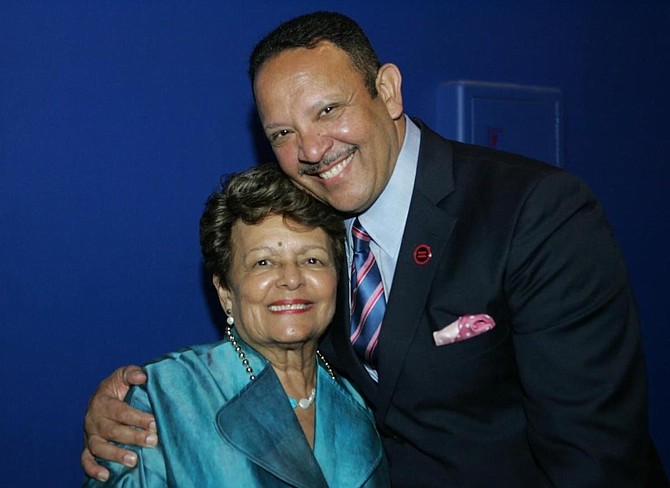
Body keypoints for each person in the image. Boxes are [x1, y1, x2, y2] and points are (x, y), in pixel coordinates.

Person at [82, 11, 668, 487]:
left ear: (386, 90)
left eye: (328, 110)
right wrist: (142, 403)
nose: (311, 148)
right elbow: (266, 336)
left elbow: (596, 456)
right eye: (282, 133)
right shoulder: (308, 227)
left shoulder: (536, 211)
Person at [83, 162, 390, 487]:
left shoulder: (361, 401)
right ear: (226, 291)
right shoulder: (164, 396)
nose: (291, 278)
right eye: (263, 262)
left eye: (312, 259)